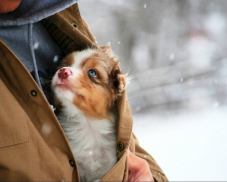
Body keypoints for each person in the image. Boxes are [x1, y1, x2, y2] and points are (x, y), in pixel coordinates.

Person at [0, 0, 168, 181]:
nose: (65, 71)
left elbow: (133, 153)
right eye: (67, 65)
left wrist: (152, 178)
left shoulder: (60, 15)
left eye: (91, 72)